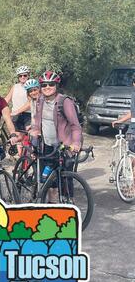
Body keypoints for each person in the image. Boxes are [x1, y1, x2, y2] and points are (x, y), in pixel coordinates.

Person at [30, 71, 83, 200]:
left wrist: (75, 143)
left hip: (63, 146)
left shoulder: (64, 102)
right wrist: (35, 131)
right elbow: (37, 120)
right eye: (44, 85)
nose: (47, 87)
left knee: (66, 180)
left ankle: (69, 205)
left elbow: (75, 125)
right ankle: (52, 207)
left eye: (51, 84)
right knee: (50, 182)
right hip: (47, 146)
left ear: (56, 85)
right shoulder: (40, 100)